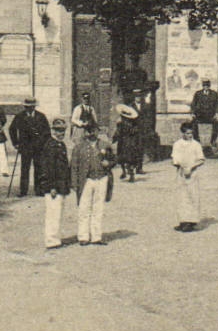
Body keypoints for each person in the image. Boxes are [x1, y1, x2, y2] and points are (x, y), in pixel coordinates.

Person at [69, 118, 115, 246]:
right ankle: (83, 236)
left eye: (93, 131)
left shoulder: (105, 145)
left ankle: (96, 236)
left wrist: (108, 164)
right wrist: (74, 183)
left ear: (97, 131)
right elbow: (74, 166)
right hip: (86, 181)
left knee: (98, 209)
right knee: (84, 209)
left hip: (101, 179)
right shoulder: (79, 148)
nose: (91, 133)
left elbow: (114, 160)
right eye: (88, 131)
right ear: (84, 132)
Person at [34, 118, 72, 249]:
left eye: (63, 130)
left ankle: (55, 238)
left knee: (58, 213)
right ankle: (51, 240)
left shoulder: (61, 145)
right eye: (58, 130)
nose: (61, 133)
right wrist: (52, 187)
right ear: (52, 130)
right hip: (53, 187)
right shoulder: (50, 146)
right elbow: (47, 168)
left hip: (61, 185)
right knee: (53, 213)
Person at [9, 98, 51, 197]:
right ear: (24, 107)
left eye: (31, 107)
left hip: (38, 147)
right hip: (25, 147)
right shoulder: (19, 116)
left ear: (34, 107)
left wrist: (44, 144)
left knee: (39, 168)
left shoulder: (41, 117)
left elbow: (47, 132)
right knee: (24, 169)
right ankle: (23, 191)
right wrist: (15, 143)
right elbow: (12, 129)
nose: (29, 109)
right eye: (27, 107)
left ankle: (39, 190)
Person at [171, 121, 204, 231]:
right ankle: (183, 221)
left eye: (191, 133)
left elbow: (201, 159)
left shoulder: (196, 145)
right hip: (181, 173)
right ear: (183, 133)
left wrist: (191, 167)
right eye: (187, 133)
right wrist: (179, 165)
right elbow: (175, 158)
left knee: (192, 196)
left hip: (192, 173)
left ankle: (190, 221)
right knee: (181, 197)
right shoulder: (177, 144)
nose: (190, 136)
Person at [115, 100, 144, 182]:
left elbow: (135, 130)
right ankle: (124, 171)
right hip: (123, 141)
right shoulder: (120, 122)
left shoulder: (132, 122)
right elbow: (117, 131)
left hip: (130, 141)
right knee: (121, 157)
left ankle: (131, 174)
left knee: (130, 158)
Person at [191, 79, 218, 150]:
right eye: (204, 86)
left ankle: (213, 140)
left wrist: (217, 113)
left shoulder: (214, 94)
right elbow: (193, 104)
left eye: (207, 86)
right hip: (200, 115)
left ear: (209, 86)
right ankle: (197, 140)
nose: (206, 87)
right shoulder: (198, 94)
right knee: (193, 122)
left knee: (217, 122)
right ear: (202, 86)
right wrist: (193, 113)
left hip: (210, 115)